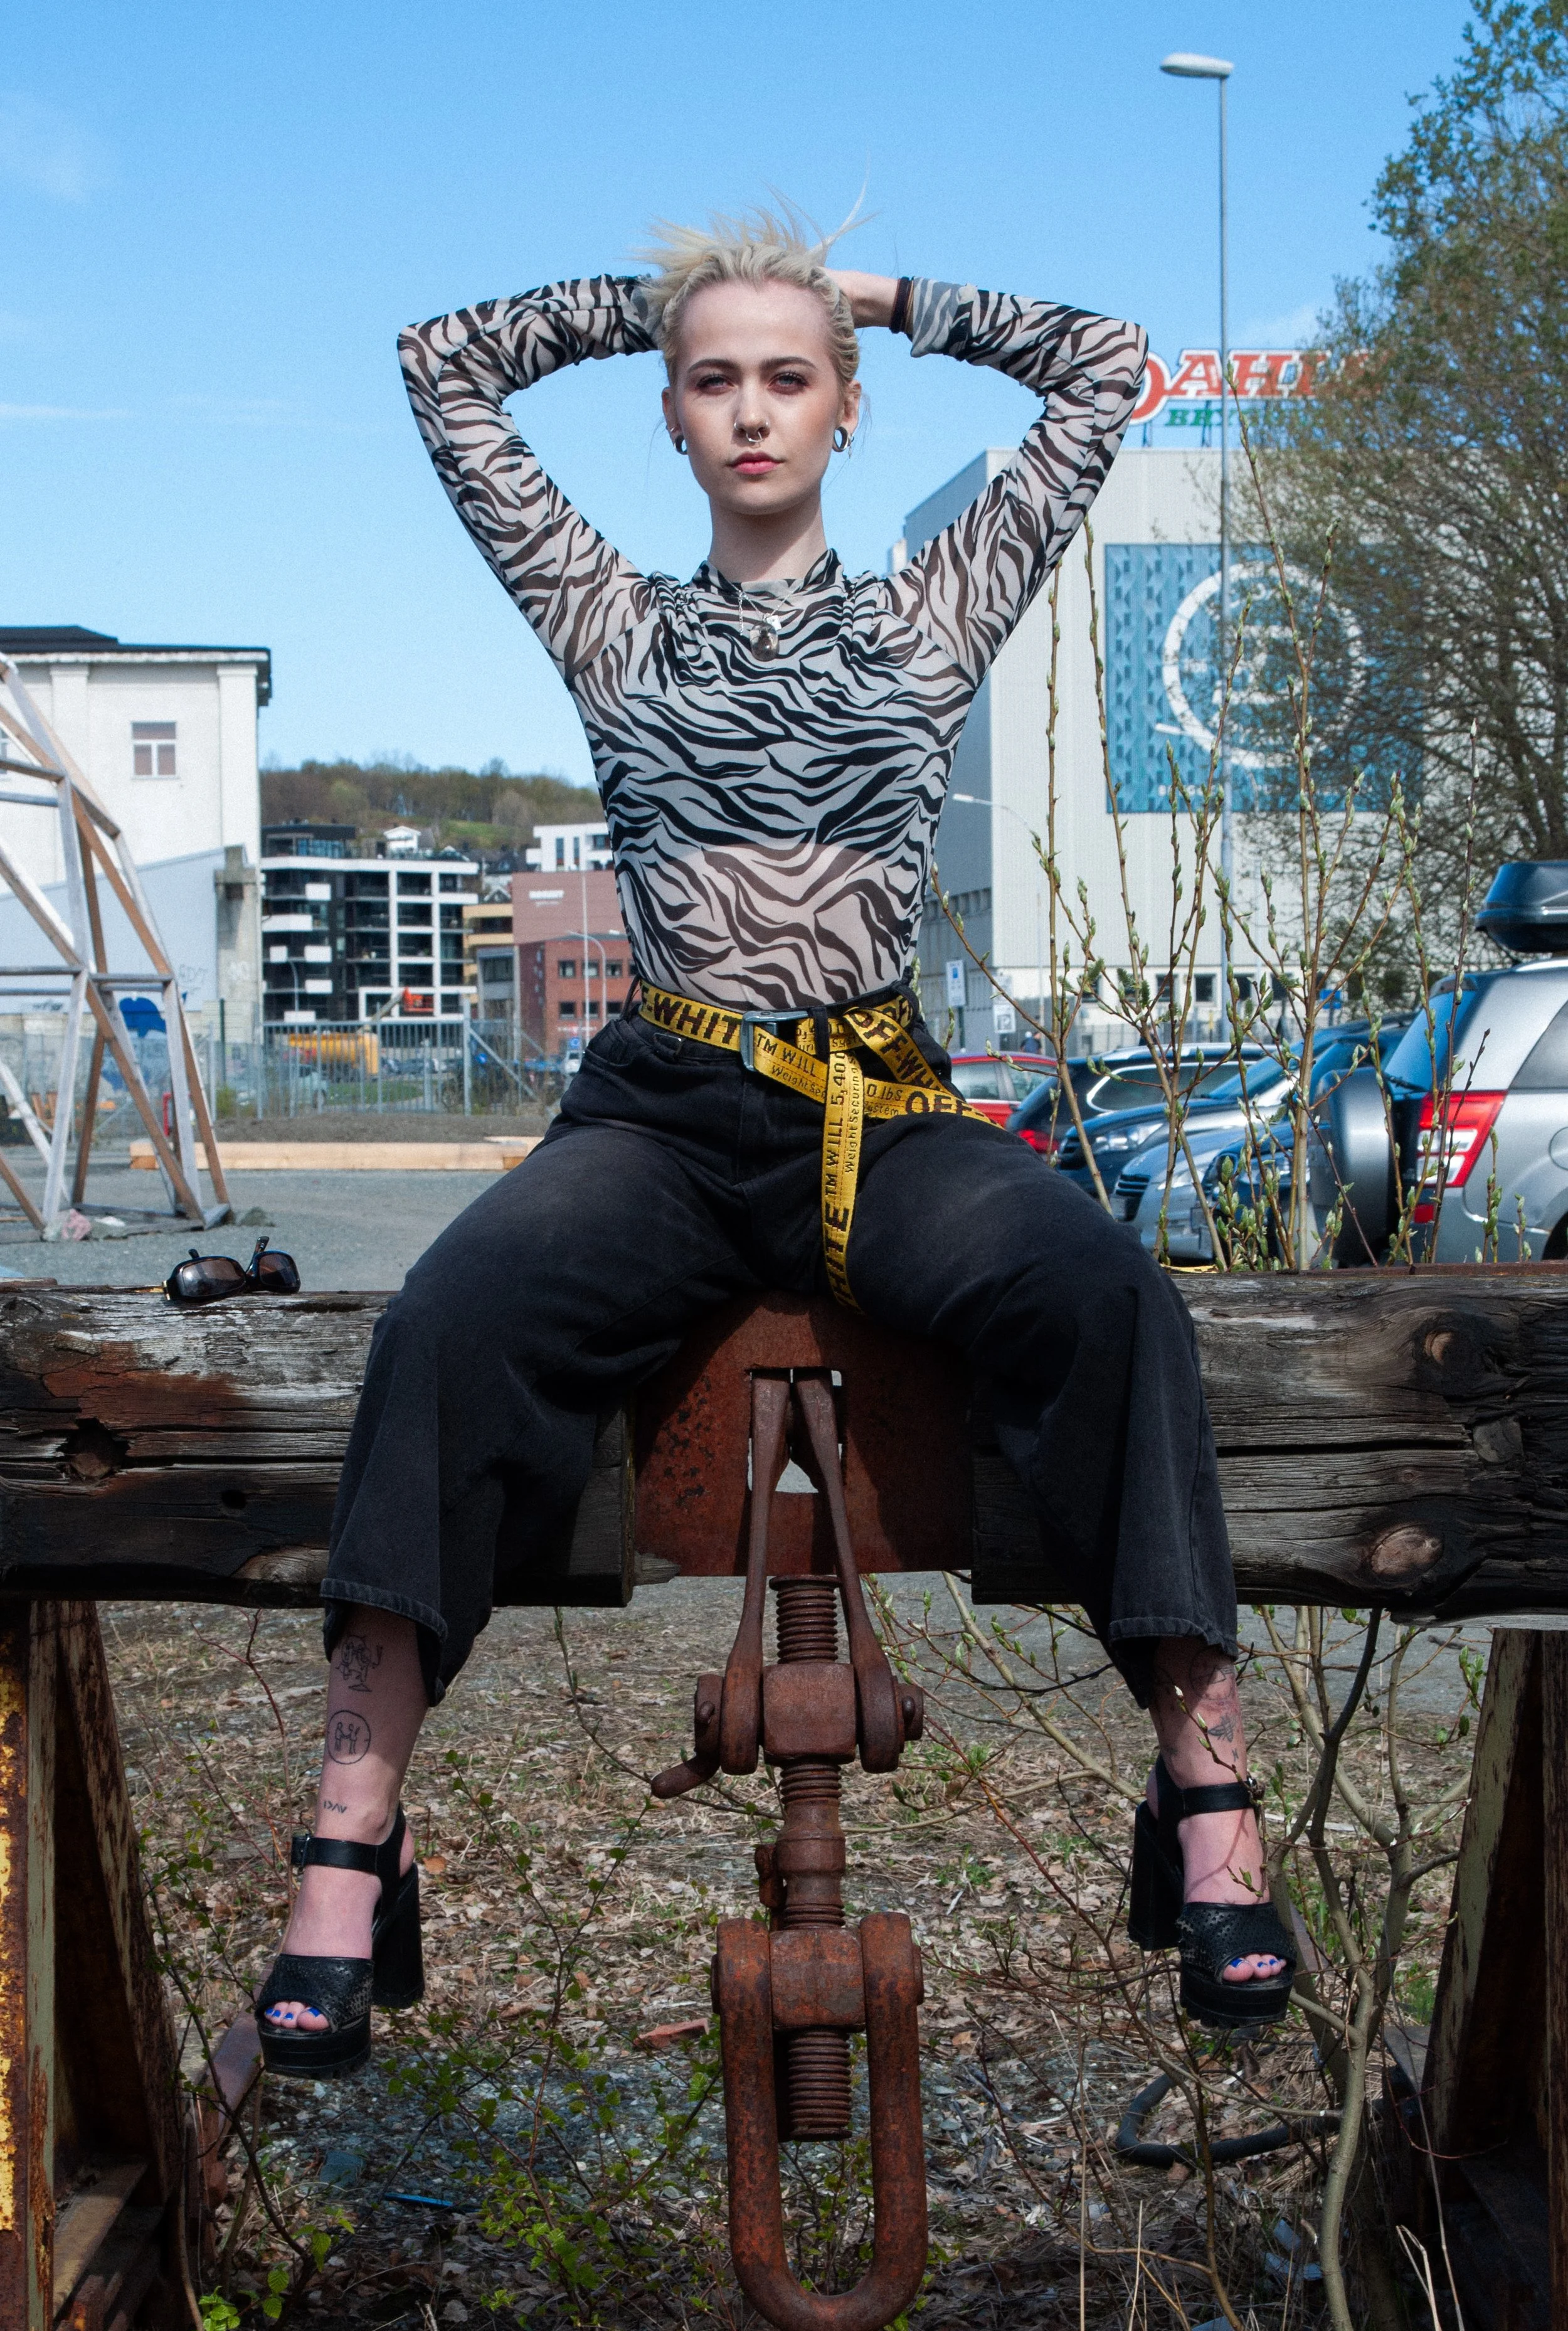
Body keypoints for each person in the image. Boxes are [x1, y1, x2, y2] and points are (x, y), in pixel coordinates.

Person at [255, 210, 1295, 2075]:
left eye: (790, 376)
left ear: (844, 406)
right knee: (446, 1322)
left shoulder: (930, 608)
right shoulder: (610, 617)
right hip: (664, 1112)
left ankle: (1205, 1793)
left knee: (1108, 1294)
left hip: (876, 1108)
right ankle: (353, 1837)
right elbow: (443, 364)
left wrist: (867, 291)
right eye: (713, 379)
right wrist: (663, 300)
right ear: (669, 412)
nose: (750, 410)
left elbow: (1101, 363)